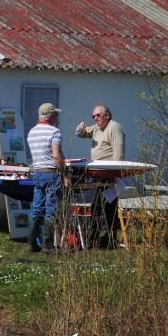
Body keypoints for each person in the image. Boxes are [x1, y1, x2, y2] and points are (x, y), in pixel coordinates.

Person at [76, 103, 126, 249]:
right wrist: (80, 127)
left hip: (110, 175)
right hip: (98, 174)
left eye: (98, 115)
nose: (95, 118)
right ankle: (94, 237)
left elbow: (119, 152)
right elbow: (82, 133)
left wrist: (115, 174)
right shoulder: (97, 128)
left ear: (107, 115)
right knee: (96, 207)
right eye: (93, 116)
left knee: (110, 208)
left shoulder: (114, 127)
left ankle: (109, 238)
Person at [26, 103, 69, 254]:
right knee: (51, 209)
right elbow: (56, 156)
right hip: (51, 173)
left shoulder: (32, 132)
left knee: (37, 208)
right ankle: (47, 246)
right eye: (56, 115)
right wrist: (64, 173)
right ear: (51, 115)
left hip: (37, 172)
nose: (57, 118)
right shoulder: (54, 132)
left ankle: (31, 244)